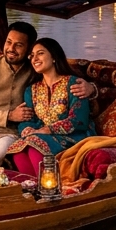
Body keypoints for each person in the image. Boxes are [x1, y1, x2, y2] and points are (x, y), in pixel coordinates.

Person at [0, 22, 96, 167]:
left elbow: (63, 80)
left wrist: (92, 89)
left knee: (5, 147)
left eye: (18, 45)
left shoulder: (35, 70)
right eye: (8, 42)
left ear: (28, 49)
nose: (11, 49)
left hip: (8, 134)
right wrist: (8, 115)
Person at [6, 37, 93, 179]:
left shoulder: (72, 83)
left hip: (74, 135)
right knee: (18, 149)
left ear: (53, 57)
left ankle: (49, 189)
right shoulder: (32, 90)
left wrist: (47, 130)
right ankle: (33, 189)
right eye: (32, 55)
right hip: (42, 135)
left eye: (40, 53)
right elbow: (28, 119)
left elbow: (79, 120)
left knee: (34, 144)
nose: (35, 59)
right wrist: (28, 130)